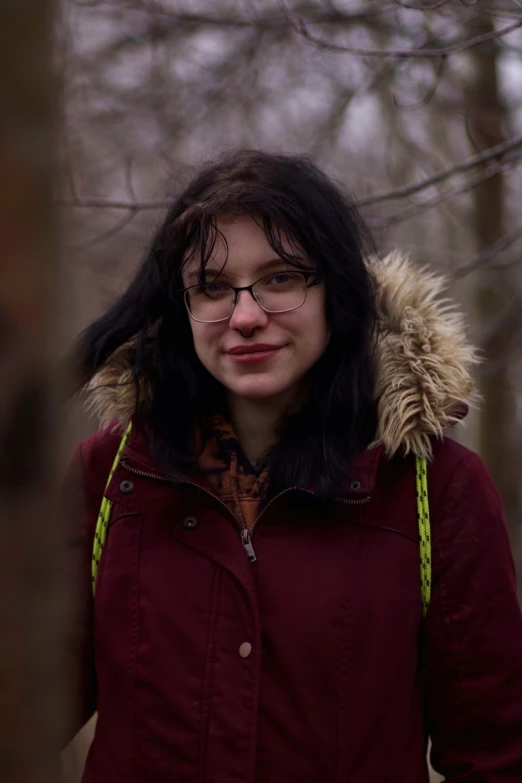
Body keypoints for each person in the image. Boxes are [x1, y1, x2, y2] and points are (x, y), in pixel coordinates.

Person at [63, 150, 522, 782]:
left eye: (282, 278)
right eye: (213, 287)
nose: (245, 317)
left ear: (337, 288)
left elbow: (495, 752)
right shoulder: (112, 476)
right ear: (180, 305)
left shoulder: (434, 485)